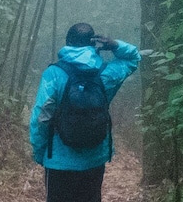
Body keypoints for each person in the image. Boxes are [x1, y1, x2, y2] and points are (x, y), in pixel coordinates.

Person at [28, 22, 141, 202]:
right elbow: (133, 58)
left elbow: (41, 118)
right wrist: (114, 45)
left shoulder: (54, 74)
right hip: (94, 159)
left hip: (58, 161)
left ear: (67, 43)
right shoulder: (106, 74)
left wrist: (40, 151)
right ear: (93, 44)